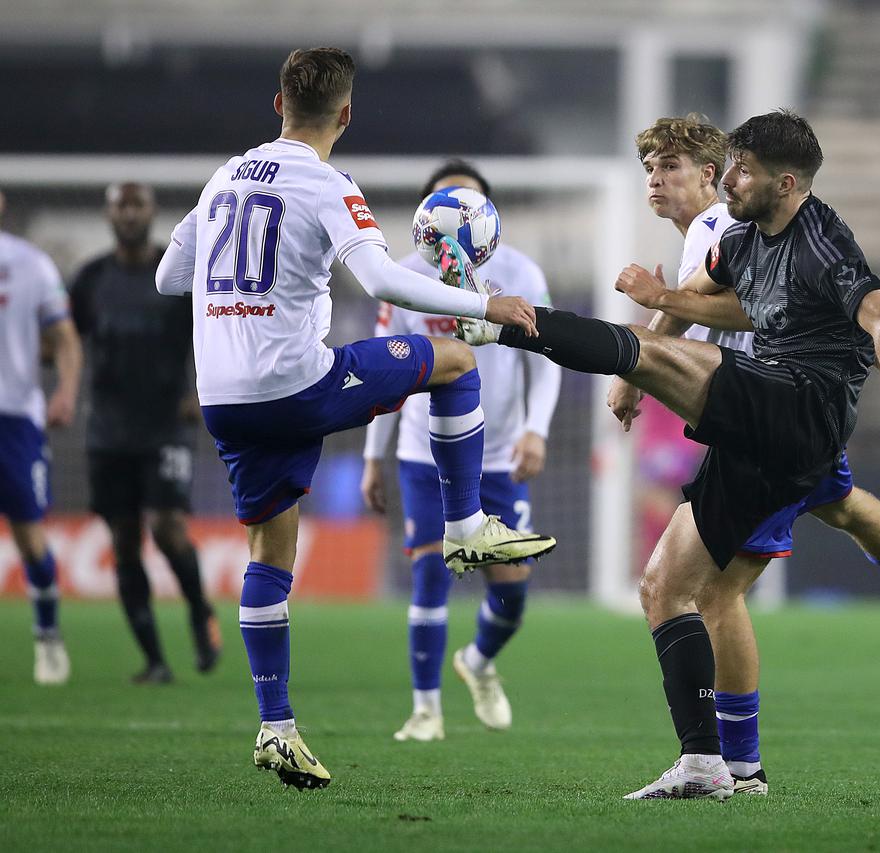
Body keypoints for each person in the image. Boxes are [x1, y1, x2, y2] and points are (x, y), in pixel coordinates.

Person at [452, 109, 880, 800]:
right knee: (668, 588)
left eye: (742, 170)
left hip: (797, 407)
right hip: (754, 425)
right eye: (729, 163)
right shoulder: (739, 238)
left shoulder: (821, 242)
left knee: (735, 570)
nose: (729, 179)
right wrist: (665, 301)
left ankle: (504, 323)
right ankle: (712, 761)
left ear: (787, 183)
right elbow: (731, 304)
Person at [155, 47, 555, 791]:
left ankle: (277, 728)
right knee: (456, 364)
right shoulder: (328, 182)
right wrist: (482, 303)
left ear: (277, 105)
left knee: (270, 551)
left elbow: (167, 276)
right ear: (345, 114)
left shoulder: (221, 179)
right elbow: (377, 276)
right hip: (296, 382)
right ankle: (467, 525)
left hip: (224, 400)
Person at [623, 114, 880, 795]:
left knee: (714, 593)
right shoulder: (734, 235)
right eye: (650, 169)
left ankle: (738, 768)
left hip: (767, 424)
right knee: (841, 503)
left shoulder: (724, 230)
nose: (656, 181)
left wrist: (637, 365)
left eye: (671, 168)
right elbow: (761, 307)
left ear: (710, 176)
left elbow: (715, 307)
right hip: (783, 411)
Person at [361, 160, 562, 742]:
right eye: (445, 204)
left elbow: (543, 360)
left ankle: (476, 662)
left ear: (489, 214)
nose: (458, 216)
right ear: (427, 217)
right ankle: (425, 711)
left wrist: (537, 430)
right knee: (430, 574)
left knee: (513, 589)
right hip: (424, 451)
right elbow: (383, 367)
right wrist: (375, 455)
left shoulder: (520, 271)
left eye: (469, 204)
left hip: (499, 454)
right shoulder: (398, 276)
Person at [70, 182, 220, 684]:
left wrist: (201, 388)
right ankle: (154, 659)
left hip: (166, 426)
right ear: (109, 214)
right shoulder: (91, 280)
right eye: (120, 206)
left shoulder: (175, 276)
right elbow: (64, 339)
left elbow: (211, 328)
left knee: (167, 527)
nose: (129, 215)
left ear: (151, 214)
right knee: (124, 540)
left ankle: (200, 612)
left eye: (138, 206)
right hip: (108, 431)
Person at [0, 188, 80, 686]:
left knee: (30, 536)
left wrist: (67, 391)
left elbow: (65, 338)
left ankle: (47, 636)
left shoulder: (30, 265)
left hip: (16, 418)